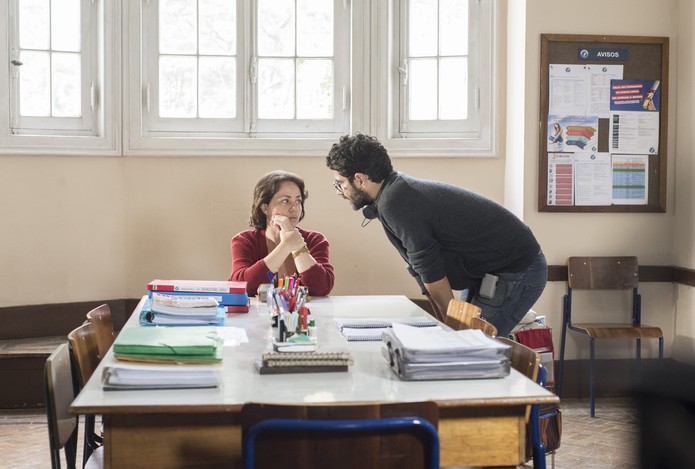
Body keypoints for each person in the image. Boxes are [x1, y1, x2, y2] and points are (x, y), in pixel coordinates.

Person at [325, 134, 547, 336]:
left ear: (360, 179)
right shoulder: (391, 195)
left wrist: (451, 330)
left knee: (471, 346)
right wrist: (446, 328)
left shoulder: (396, 201)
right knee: (459, 339)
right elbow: (420, 270)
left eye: (340, 183)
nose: (338, 191)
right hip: (488, 270)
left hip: (518, 268)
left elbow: (431, 273)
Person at [230, 170, 335, 297]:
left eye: (298, 201)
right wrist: (286, 245)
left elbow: (322, 288)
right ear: (265, 208)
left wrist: (298, 247)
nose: (294, 208)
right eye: (285, 201)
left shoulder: (315, 240)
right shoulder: (244, 241)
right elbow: (241, 286)